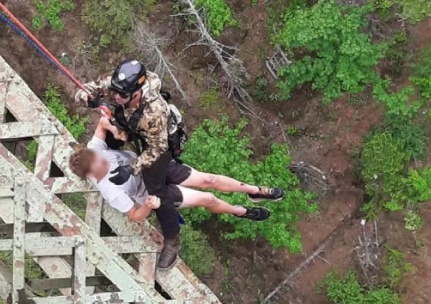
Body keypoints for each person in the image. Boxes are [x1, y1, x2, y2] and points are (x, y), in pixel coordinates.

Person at [69, 117, 286, 266]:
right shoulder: (111, 191)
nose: (102, 159)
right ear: (90, 174)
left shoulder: (94, 151)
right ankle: (240, 211)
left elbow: (102, 122)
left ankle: (254, 191)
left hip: (152, 167)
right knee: (207, 198)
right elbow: (134, 216)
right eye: (98, 163)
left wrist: (114, 129)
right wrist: (147, 206)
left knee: (207, 179)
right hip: (153, 192)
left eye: (98, 156)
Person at [76, 59, 183, 269]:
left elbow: (157, 149)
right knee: (107, 135)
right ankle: (114, 152)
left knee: (156, 188)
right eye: (115, 92)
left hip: (155, 140)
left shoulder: (155, 111)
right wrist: (92, 101)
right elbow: (83, 91)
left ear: (137, 92)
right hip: (130, 122)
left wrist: (131, 168)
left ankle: (172, 239)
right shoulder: (119, 86)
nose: (116, 96)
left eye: (122, 95)